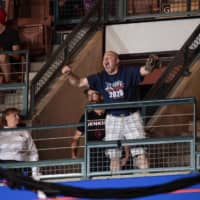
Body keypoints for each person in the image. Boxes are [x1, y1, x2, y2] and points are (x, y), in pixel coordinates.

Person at [62, 51, 160, 172]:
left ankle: (147, 183)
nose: (105, 60)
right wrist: (69, 74)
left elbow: (145, 70)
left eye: (109, 57)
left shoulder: (127, 72)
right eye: (104, 58)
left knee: (140, 154)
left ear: (117, 61)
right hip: (113, 118)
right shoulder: (100, 78)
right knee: (114, 157)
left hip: (132, 116)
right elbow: (79, 82)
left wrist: (151, 63)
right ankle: (117, 185)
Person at [71, 88, 109, 172]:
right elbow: (76, 137)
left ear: (101, 96)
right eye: (89, 95)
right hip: (92, 156)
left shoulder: (110, 113)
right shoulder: (86, 116)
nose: (91, 98)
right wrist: (73, 154)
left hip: (110, 154)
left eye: (94, 94)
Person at [0, 108, 39, 176]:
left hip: (21, 165)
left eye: (18, 115)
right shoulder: (1, 133)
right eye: (15, 115)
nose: (18, 117)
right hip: (5, 167)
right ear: (6, 117)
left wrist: (35, 173)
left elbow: (33, 152)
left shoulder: (24, 132)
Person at [0, 8, 21, 83]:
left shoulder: (12, 33)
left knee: (2, 56)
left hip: (11, 64)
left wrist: (5, 52)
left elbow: (17, 55)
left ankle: (6, 82)